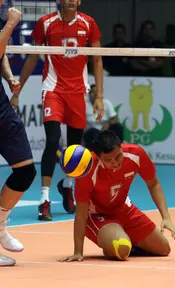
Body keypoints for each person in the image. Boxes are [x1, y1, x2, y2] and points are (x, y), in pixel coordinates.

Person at [10, 0, 105, 221]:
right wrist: (18, 91)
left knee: (74, 146)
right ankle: (44, 200)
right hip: (52, 89)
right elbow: (33, 56)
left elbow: (98, 59)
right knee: (52, 141)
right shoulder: (45, 23)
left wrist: (99, 96)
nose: (71, 0)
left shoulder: (89, 23)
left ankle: (68, 186)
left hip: (78, 91)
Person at [58, 130, 175, 262]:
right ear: (98, 157)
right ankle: (115, 243)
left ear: (121, 147)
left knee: (164, 249)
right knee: (122, 249)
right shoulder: (88, 171)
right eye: (108, 160)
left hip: (123, 209)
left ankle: (118, 241)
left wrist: (166, 217)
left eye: (118, 156)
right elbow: (81, 214)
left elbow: (153, 184)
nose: (115, 162)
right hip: (97, 216)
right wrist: (78, 252)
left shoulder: (136, 154)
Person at [0, 5, 37, 266]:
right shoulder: (5, 21)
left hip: (1, 107)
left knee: (25, 170)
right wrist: (11, 24)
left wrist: (10, 76)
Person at [83, 84, 123, 150]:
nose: (95, 94)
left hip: (105, 129)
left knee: (117, 126)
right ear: (89, 94)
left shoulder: (106, 103)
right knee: (93, 132)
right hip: (91, 130)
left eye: (97, 92)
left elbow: (114, 118)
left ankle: (118, 150)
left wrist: (108, 123)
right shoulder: (84, 105)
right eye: (93, 92)